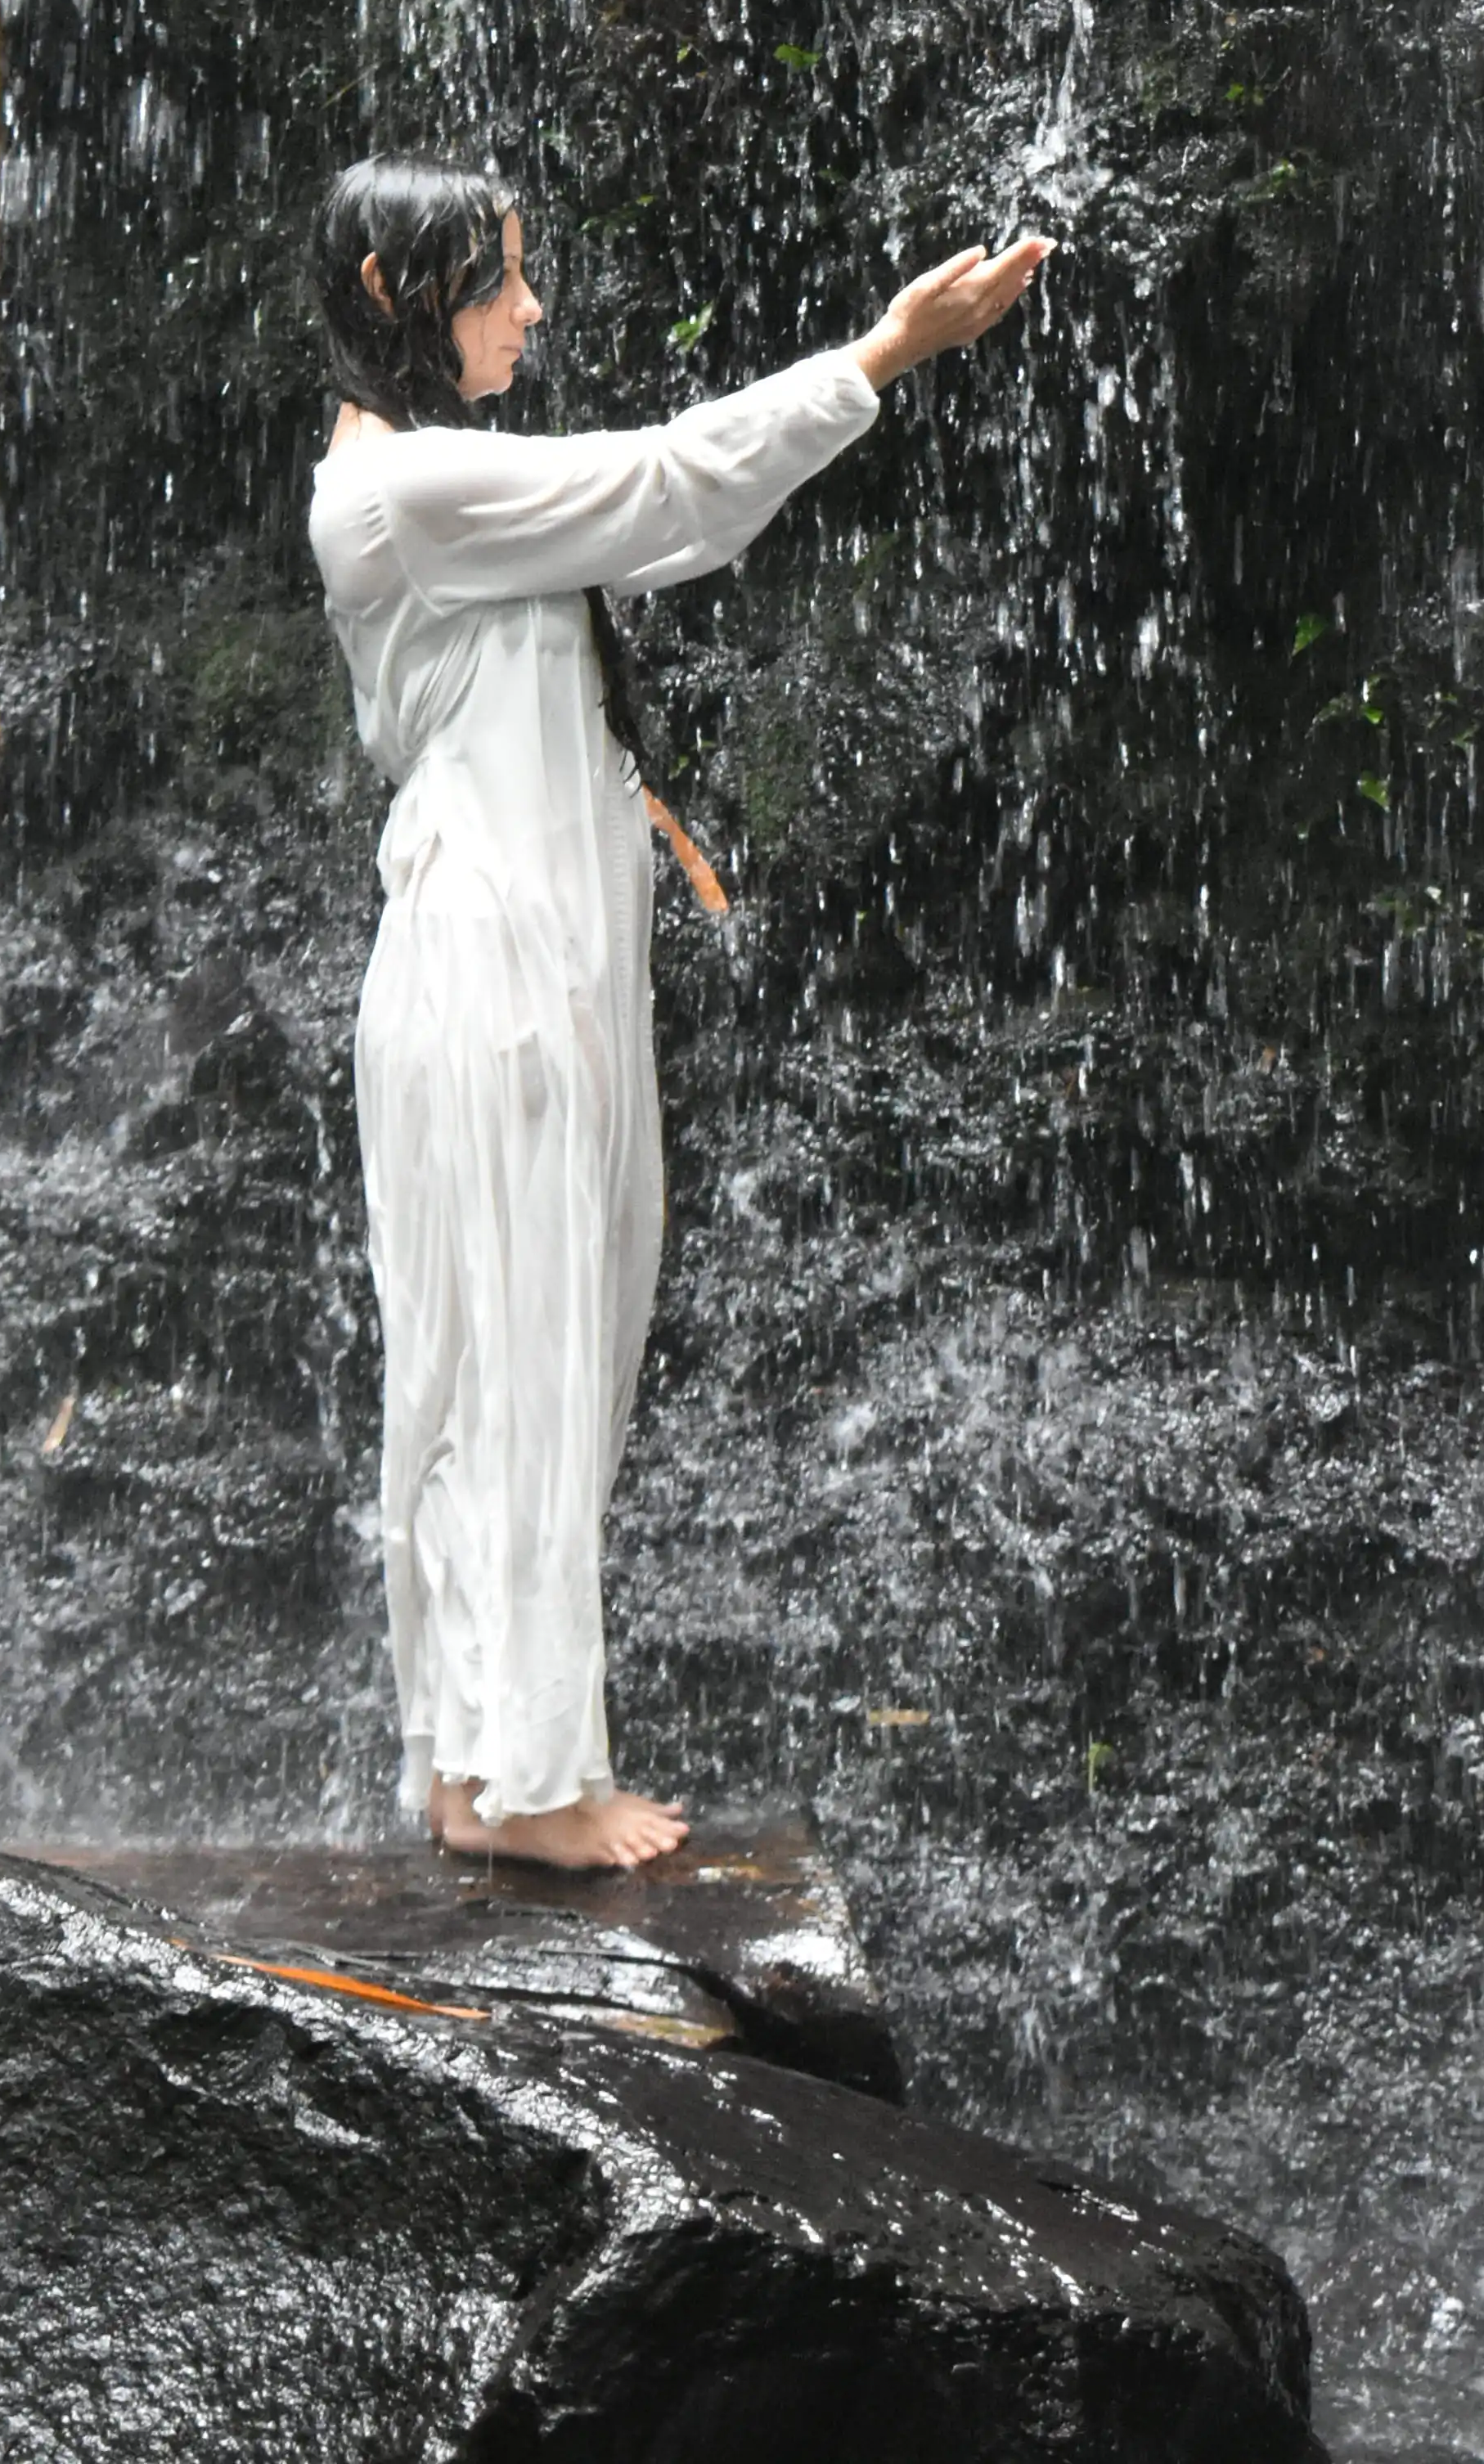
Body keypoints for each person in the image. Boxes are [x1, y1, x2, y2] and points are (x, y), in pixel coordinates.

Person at [308, 159, 1050, 1873]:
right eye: (500, 278)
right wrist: (882, 352)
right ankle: (535, 1782)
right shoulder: (403, 487)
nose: (532, 308)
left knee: (482, 1364)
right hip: (495, 980)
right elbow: (661, 490)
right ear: (388, 283)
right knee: (527, 1361)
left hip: (502, 967)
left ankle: (465, 1760)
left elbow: (597, 590)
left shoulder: (414, 484)